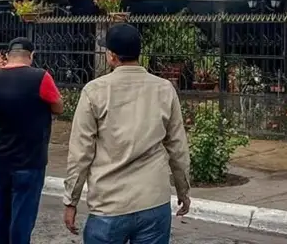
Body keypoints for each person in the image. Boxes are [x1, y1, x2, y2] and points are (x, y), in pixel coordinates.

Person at [63, 23, 191, 244]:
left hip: (109, 204)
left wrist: (71, 201)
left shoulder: (94, 91)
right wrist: (183, 190)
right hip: (153, 201)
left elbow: (80, 152)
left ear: (111, 56)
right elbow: (178, 146)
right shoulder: (164, 89)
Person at [0, 37, 64, 244]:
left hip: (2, 160)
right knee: (22, 219)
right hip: (30, 161)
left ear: (7, 56)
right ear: (31, 56)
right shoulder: (41, 78)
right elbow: (58, 107)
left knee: (1, 215)